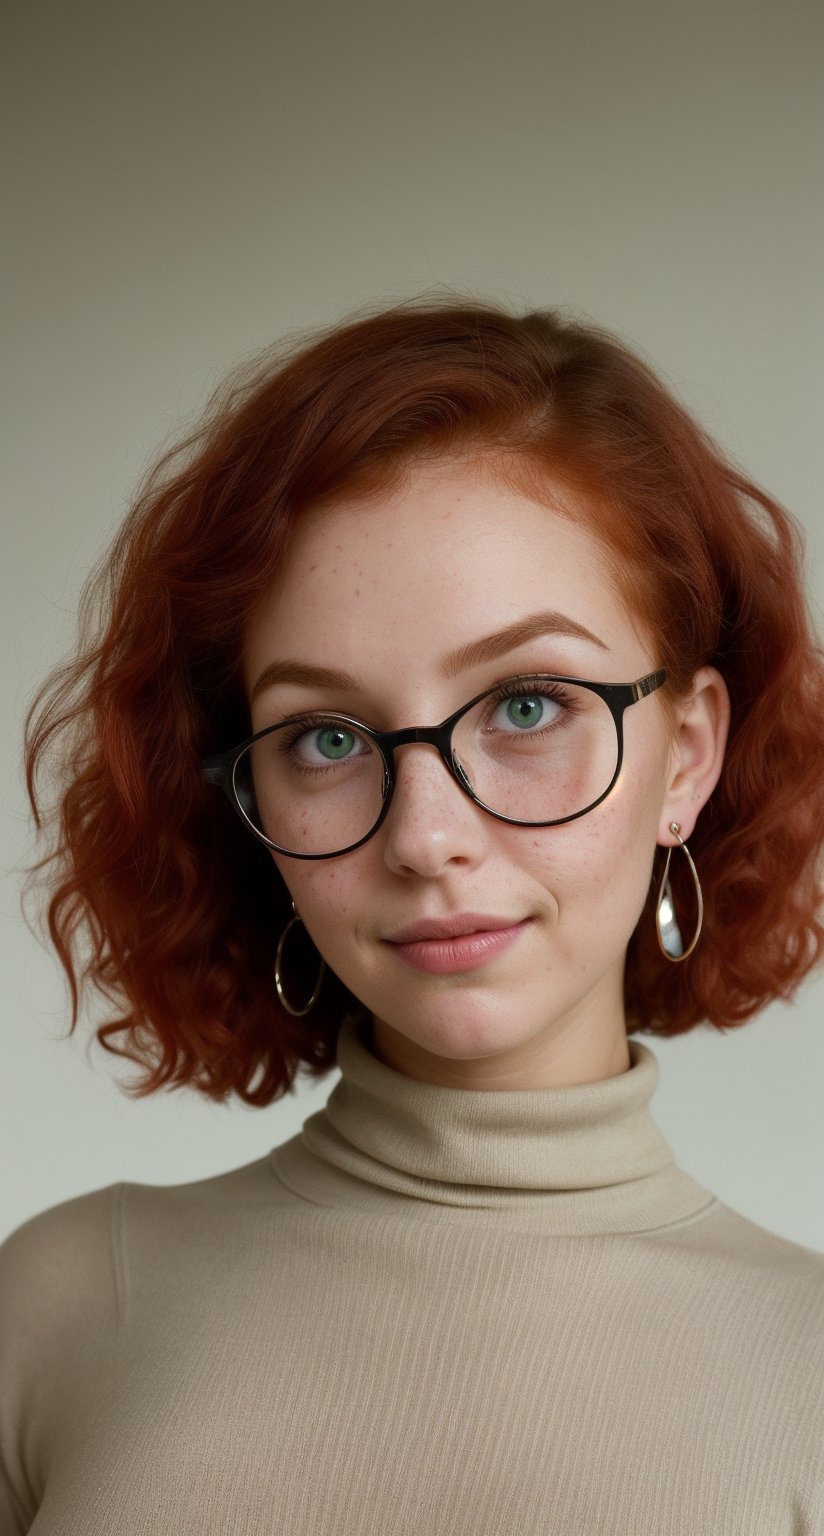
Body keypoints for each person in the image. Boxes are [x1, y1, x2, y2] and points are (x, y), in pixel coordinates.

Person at [2, 299, 823, 1533]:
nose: (425, 837)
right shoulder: (59, 1309)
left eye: (528, 707)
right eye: (325, 737)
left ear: (687, 753)